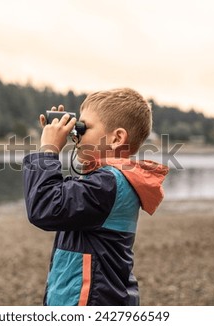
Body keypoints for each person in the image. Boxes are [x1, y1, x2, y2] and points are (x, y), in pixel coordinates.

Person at [23, 88, 168, 306]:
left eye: (83, 128)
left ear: (117, 138)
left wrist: (49, 149)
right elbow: (61, 193)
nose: (76, 135)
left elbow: (45, 208)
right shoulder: (107, 180)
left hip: (89, 301)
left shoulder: (108, 184)